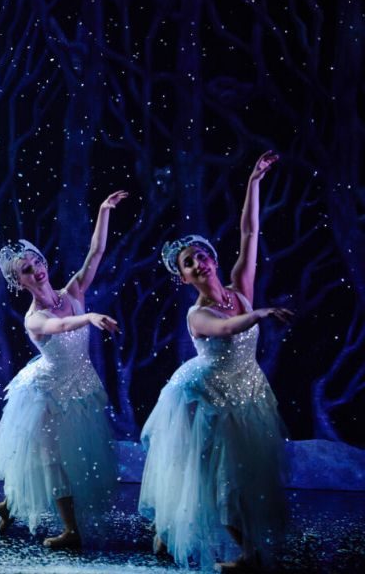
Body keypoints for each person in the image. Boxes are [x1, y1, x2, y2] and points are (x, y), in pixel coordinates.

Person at [139, 151, 292, 572]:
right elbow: (228, 330)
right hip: (206, 397)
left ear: (213, 259)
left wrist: (254, 181)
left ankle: (226, 543)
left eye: (201, 256)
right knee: (216, 475)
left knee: (249, 473)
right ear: (184, 277)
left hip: (246, 389)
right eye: (189, 264)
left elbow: (250, 233)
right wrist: (258, 313)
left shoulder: (239, 286)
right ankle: (232, 548)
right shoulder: (198, 314)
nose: (198, 263)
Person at [0, 190, 128, 548]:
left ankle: (8, 506)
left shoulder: (72, 291)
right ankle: (70, 530)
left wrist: (103, 210)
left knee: (71, 457)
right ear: (18, 281)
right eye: (26, 270)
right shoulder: (34, 318)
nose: (35, 271)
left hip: (78, 386)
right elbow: (62, 327)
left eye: (36, 262)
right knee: (54, 461)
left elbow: (95, 253)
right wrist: (89, 316)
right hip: (46, 394)